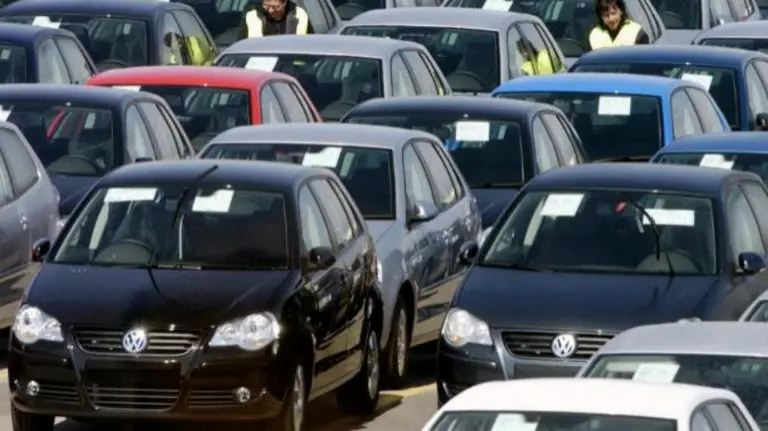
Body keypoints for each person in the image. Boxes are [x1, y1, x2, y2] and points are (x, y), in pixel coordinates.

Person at [239, 0, 311, 39]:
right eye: (266, 5)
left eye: (276, 7)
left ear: (285, 3)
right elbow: (242, 44)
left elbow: (309, 44)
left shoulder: (299, 15)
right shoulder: (252, 16)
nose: (270, 10)